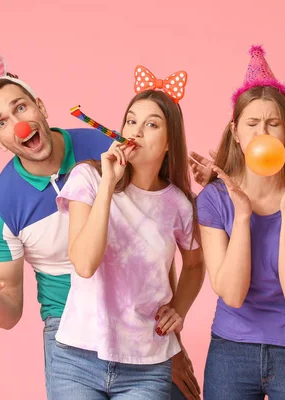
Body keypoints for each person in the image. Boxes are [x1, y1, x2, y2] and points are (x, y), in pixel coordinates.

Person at [0, 45, 201, 399]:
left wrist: (172, 341)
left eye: (21, 108)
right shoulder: (1, 207)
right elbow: (8, 312)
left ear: (40, 106)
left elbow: (153, 243)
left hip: (138, 326)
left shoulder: (105, 148)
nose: (20, 124)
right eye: (2, 122)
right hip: (68, 330)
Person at [49, 66, 205, 399]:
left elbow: (194, 265)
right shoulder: (88, 179)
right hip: (76, 359)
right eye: (131, 121)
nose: (136, 130)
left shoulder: (179, 204)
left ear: (168, 143)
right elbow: (85, 264)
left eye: (152, 124)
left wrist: (179, 308)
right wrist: (108, 184)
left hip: (146, 367)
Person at [195, 45, 285, 399]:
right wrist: (242, 215)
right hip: (232, 349)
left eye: (273, 124)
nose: (263, 134)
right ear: (236, 133)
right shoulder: (213, 198)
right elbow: (231, 293)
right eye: (252, 124)